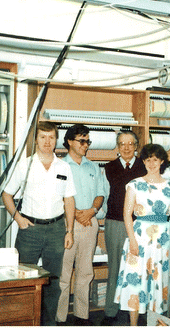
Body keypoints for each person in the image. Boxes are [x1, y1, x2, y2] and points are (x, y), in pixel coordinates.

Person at [2, 121, 76, 326]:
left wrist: (69, 231)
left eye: (51, 137)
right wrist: (18, 218)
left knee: (52, 281)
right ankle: (22, 321)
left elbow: (69, 200)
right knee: (23, 279)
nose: (47, 141)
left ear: (56, 140)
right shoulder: (25, 165)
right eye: (43, 137)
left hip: (56, 230)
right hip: (30, 231)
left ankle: (48, 323)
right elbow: (6, 195)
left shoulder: (64, 167)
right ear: (36, 139)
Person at [114, 144, 170, 326]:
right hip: (139, 238)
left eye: (155, 159)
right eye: (148, 159)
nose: (152, 163)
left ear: (162, 162)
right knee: (135, 283)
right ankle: (133, 325)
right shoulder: (134, 185)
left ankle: (155, 323)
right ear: (143, 161)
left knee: (158, 282)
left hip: (163, 241)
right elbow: (127, 215)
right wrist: (133, 242)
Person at [55, 124, 106, 325]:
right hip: (67, 225)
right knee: (64, 273)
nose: (86, 145)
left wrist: (92, 211)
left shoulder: (93, 167)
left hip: (90, 222)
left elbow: (101, 193)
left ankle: (81, 316)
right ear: (69, 141)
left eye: (88, 141)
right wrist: (75, 214)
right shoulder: (60, 166)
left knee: (85, 272)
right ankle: (59, 318)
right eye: (82, 141)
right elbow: (57, 195)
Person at [101, 130, 147, 325]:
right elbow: (104, 196)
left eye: (130, 143)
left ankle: (138, 311)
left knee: (138, 269)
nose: (126, 147)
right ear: (117, 147)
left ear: (136, 146)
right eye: (122, 144)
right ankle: (111, 312)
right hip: (115, 223)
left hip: (139, 225)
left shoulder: (145, 166)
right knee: (115, 268)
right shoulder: (108, 168)